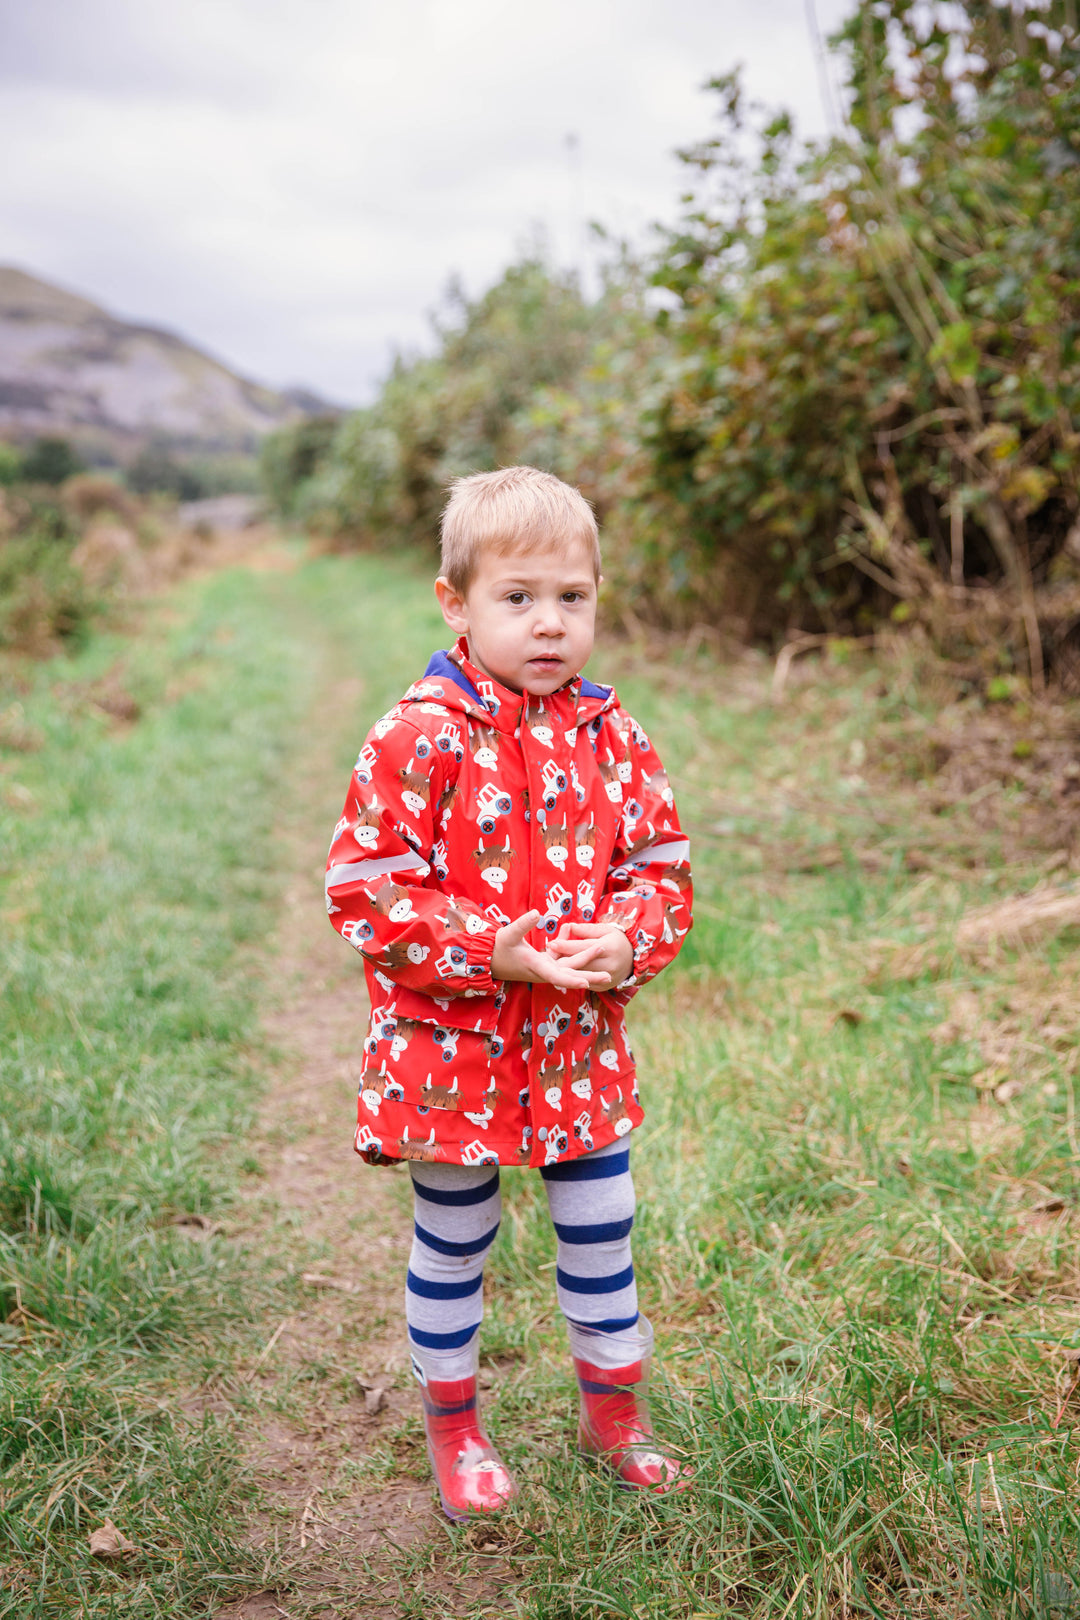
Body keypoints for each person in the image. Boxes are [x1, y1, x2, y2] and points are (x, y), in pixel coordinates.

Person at [325, 465, 693, 1521]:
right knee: (455, 1239)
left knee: (603, 1227)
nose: (549, 625)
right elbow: (365, 893)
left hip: (576, 1047)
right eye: (518, 598)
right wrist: (496, 951)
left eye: (571, 599)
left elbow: (660, 870)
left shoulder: (614, 739)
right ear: (457, 603)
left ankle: (614, 1415)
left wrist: (629, 944)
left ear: (597, 600)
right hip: (452, 1056)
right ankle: (455, 1426)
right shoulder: (418, 734)